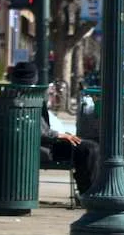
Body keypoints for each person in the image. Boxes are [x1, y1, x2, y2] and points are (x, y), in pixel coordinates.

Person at [9, 62, 101, 195]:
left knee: (86, 146)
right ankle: (89, 193)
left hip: (32, 142)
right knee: (89, 148)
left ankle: (88, 190)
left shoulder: (10, 96)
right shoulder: (27, 98)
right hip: (37, 146)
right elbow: (36, 130)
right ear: (35, 79)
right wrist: (59, 135)